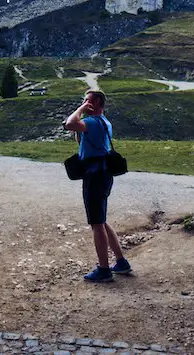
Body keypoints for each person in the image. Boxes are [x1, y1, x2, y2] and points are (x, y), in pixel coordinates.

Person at [63, 90, 131, 283]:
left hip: (94, 176)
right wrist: (81, 119)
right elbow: (80, 139)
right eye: (84, 101)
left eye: (89, 101)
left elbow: (69, 124)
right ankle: (121, 262)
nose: (86, 103)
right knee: (100, 220)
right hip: (104, 174)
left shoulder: (92, 121)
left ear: (98, 104)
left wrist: (81, 109)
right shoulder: (104, 122)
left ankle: (103, 269)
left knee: (96, 222)